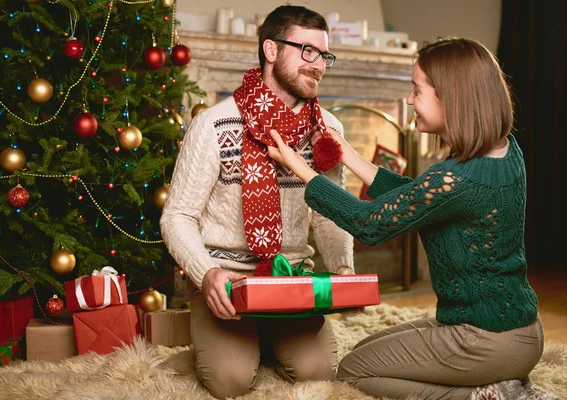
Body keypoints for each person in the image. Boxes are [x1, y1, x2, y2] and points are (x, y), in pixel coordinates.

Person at [267, 37, 544, 399]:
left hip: (485, 340)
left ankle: (487, 395)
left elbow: (370, 223)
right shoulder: (505, 150)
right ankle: (496, 382)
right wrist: (347, 153)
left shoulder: (456, 178)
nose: (409, 100)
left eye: (417, 90)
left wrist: (303, 171)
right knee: (368, 348)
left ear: (452, 97)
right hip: (516, 329)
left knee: (353, 371)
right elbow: (419, 198)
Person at [160, 5, 355, 399]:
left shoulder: (328, 132)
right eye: (307, 51)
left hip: (292, 279)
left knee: (316, 373)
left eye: (324, 55)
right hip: (228, 279)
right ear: (270, 49)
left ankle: (266, 338)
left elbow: (331, 215)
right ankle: (240, 339)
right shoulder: (214, 123)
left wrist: (344, 271)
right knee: (231, 380)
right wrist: (206, 274)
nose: (318, 65)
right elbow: (177, 216)